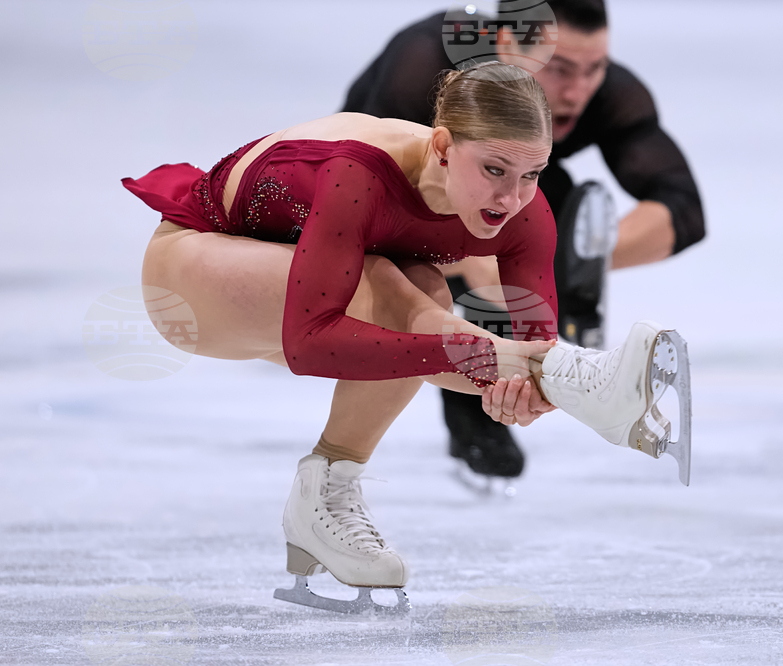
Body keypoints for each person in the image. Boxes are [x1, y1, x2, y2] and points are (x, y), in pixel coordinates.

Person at [123, 62, 689, 615]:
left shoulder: (522, 209)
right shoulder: (359, 174)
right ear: (442, 147)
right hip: (191, 274)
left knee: (423, 291)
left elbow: (526, 359)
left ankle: (328, 487)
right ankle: (594, 391)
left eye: (532, 174)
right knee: (397, 291)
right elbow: (311, 340)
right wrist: (508, 363)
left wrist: (526, 386)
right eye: (494, 169)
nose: (513, 197)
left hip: (298, 281)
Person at [341, 0, 705, 485]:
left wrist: (579, 260)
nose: (578, 91)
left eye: (595, 68)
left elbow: (683, 209)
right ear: (507, 46)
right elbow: (370, 197)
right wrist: (479, 262)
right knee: (485, 230)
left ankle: (509, 346)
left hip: (495, 194)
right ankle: (468, 394)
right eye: (559, 69)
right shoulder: (430, 62)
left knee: (546, 197)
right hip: (373, 199)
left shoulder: (603, 92)